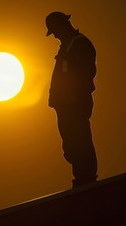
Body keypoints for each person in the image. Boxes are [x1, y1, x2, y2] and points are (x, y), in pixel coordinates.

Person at [45, 11, 98, 188]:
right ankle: (82, 177)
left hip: (74, 104)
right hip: (66, 105)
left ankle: (86, 179)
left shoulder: (80, 44)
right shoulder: (67, 46)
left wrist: (73, 97)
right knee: (71, 144)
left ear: (63, 26)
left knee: (80, 139)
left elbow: (85, 73)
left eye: (55, 31)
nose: (56, 36)